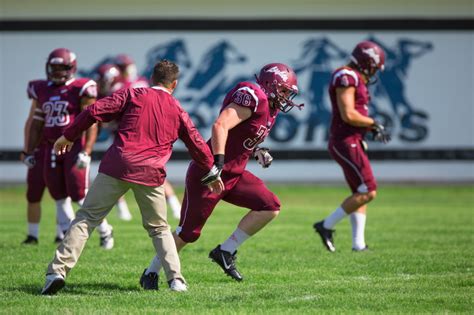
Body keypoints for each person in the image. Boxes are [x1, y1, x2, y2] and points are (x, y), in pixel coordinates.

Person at [40, 60, 222, 295]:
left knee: (86, 219)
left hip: (118, 165)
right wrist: (211, 172)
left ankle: (57, 272)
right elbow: (196, 142)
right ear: (174, 84)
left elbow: (93, 111)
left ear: (151, 78)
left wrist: (69, 136)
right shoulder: (177, 109)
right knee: (159, 229)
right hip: (151, 172)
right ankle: (176, 280)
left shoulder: (133, 94)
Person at [140, 63, 303, 287]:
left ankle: (225, 251)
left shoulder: (270, 108)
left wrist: (259, 151)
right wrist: (216, 164)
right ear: (270, 84)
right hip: (209, 174)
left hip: (234, 175)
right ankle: (151, 272)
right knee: (188, 233)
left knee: (270, 206)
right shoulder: (253, 97)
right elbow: (220, 126)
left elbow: (243, 135)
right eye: (284, 90)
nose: (286, 97)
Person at [23, 48, 114, 249]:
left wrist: (86, 151)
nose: (56, 71)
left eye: (61, 67)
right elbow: (36, 123)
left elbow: (92, 122)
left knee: (79, 194)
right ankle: (67, 237)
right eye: (53, 67)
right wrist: (29, 151)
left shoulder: (81, 88)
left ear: (71, 68)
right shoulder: (42, 89)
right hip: (51, 147)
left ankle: (105, 230)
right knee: (58, 195)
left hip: (73, 147)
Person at [313, 41, 391, 252]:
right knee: (369, 190)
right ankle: (326, 225)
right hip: (346, 141)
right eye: (374, 67)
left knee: (359, 192)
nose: (374, 72)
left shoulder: (352, 77)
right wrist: (373, 123)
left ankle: (358, 244)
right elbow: (348, 114)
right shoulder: (346, 76)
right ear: (367, 63)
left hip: (352, 139)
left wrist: (369, 127)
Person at [20, 103, 73, 244]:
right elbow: (31, 123)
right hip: (40, 150)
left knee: (62, 194)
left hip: (59, 149)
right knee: (33, 193)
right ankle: (32, 235)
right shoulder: (42, 94)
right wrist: (27, 150)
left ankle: (61, 233)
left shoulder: (71, 96)